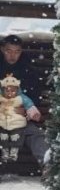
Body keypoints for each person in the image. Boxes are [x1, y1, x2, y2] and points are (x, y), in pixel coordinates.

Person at [1, 34, 48, 165]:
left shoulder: (28, 71)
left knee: (35, 135)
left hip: (19, 118)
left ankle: (48, 164)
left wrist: (26, 110)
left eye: (17, 51)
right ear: (2, 49)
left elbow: (34, 98)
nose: (12, 55)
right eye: (9, 51)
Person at [0, 75, 28, 163]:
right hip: (2, 122)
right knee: (3, 136)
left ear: (17, 91)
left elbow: (29, 106)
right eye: (7, 91)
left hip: (16, 122)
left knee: (16, 136)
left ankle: (14, 152)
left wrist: (27, 112)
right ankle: (4, 152)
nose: (9, 93)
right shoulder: (1, 99)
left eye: (12, 91)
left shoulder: (20, 99)